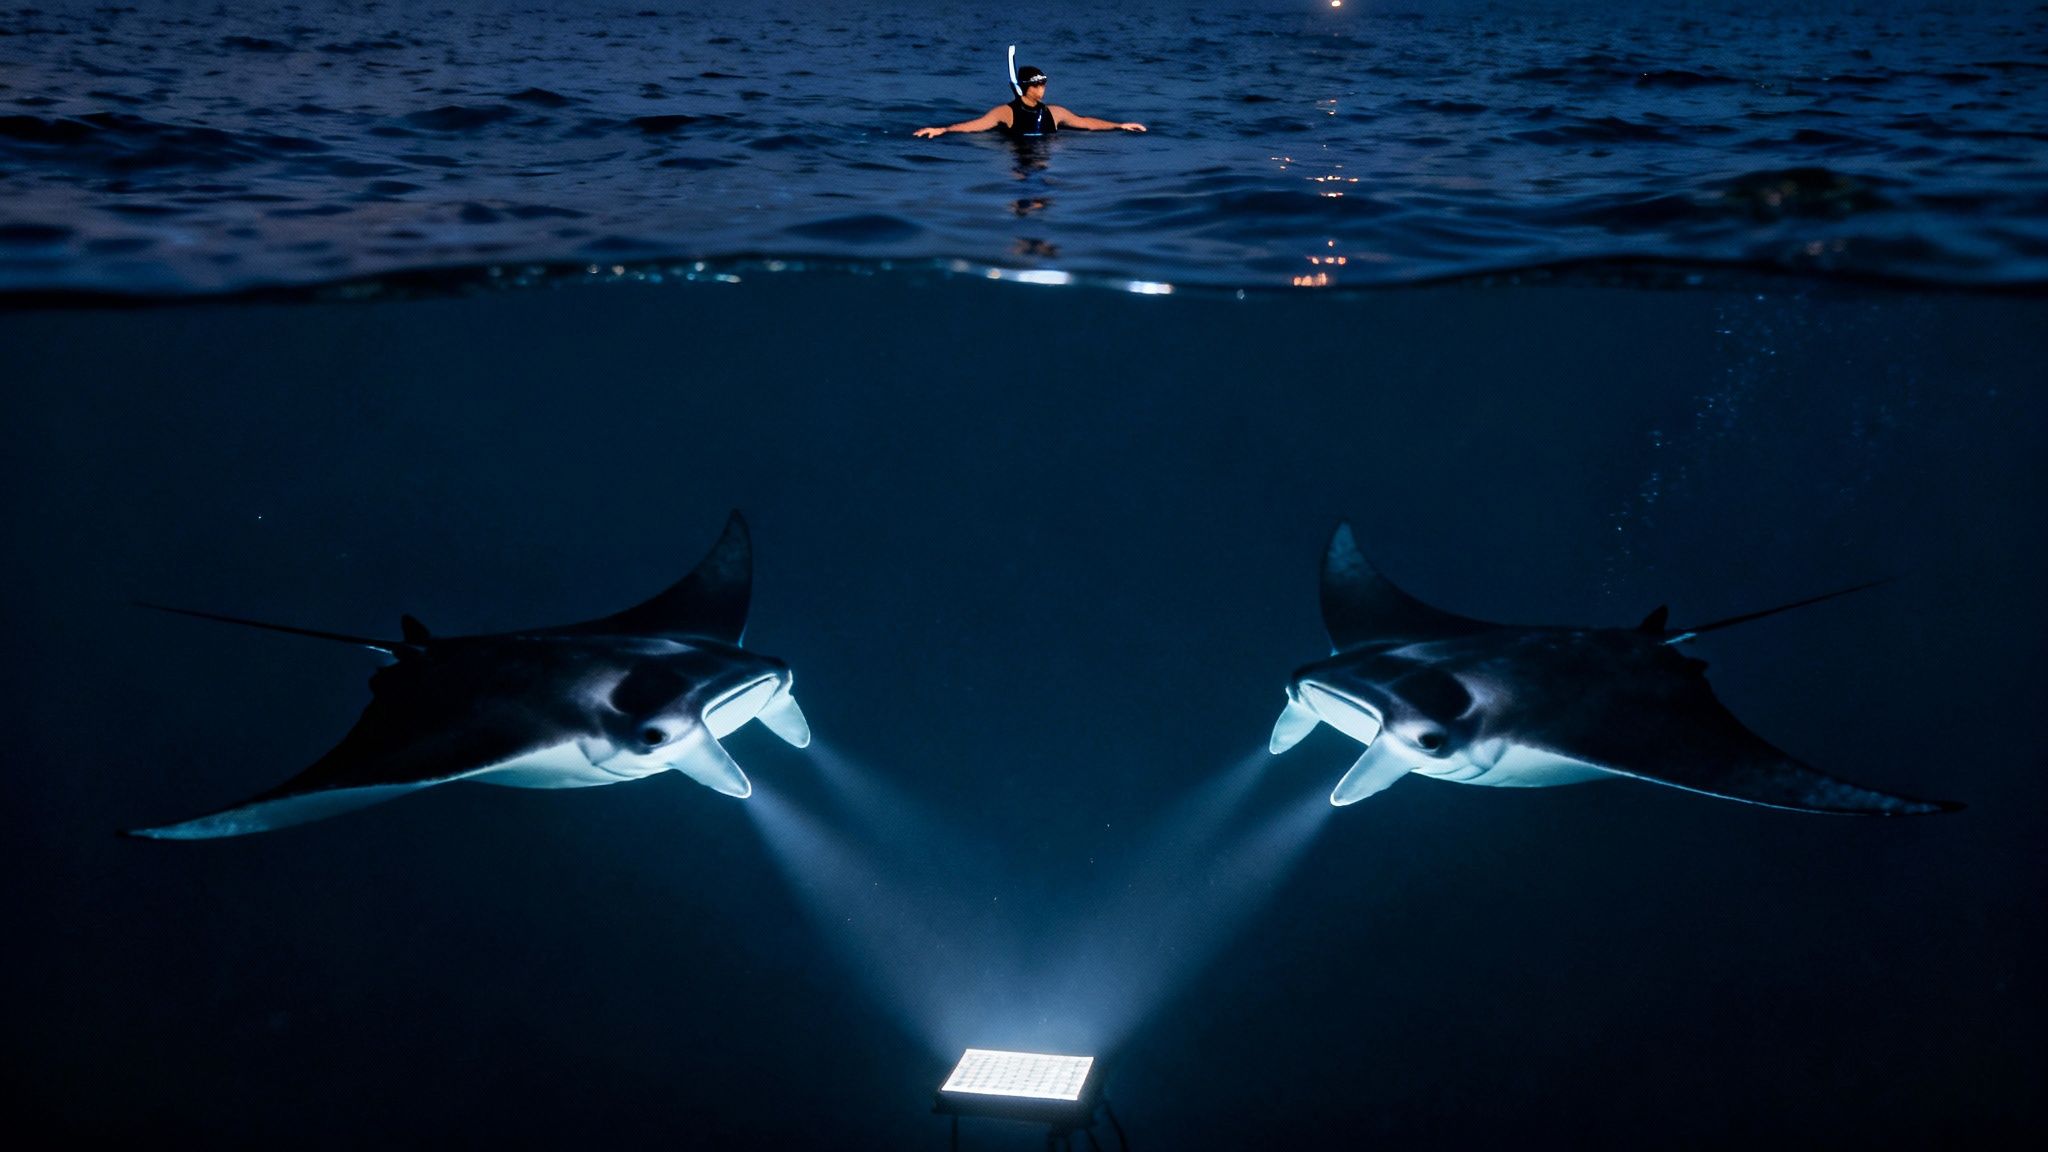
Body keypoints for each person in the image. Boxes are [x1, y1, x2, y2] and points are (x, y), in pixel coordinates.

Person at [913, 65, 1146, 138]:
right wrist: (943, 129)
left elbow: (1085, 122)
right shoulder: (1006, 112)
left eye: (1044, 84)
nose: (1042, 89)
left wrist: (1119, 125)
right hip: (1019, 159)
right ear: (1026, 87)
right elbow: (976, 125)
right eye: (1037, 85)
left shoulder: (1054, 112)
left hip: (1045, 157)